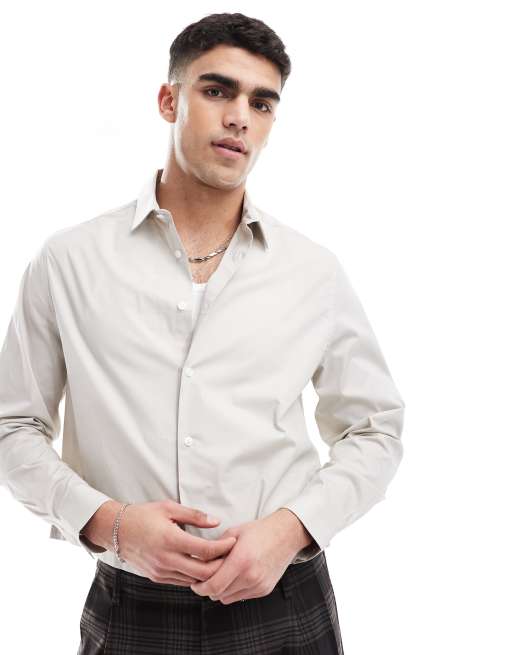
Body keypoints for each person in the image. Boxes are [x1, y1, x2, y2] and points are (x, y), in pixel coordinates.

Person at [0, 11, 405, 655]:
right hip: (132, 610)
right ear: (170, 100)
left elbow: (375, 429)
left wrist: (291, 529)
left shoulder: (313, 271)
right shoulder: (68, 262)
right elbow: (13, 426)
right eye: (218, 91)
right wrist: (110, 523)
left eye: (261, 103)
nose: (240, 116)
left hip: (287, 602)